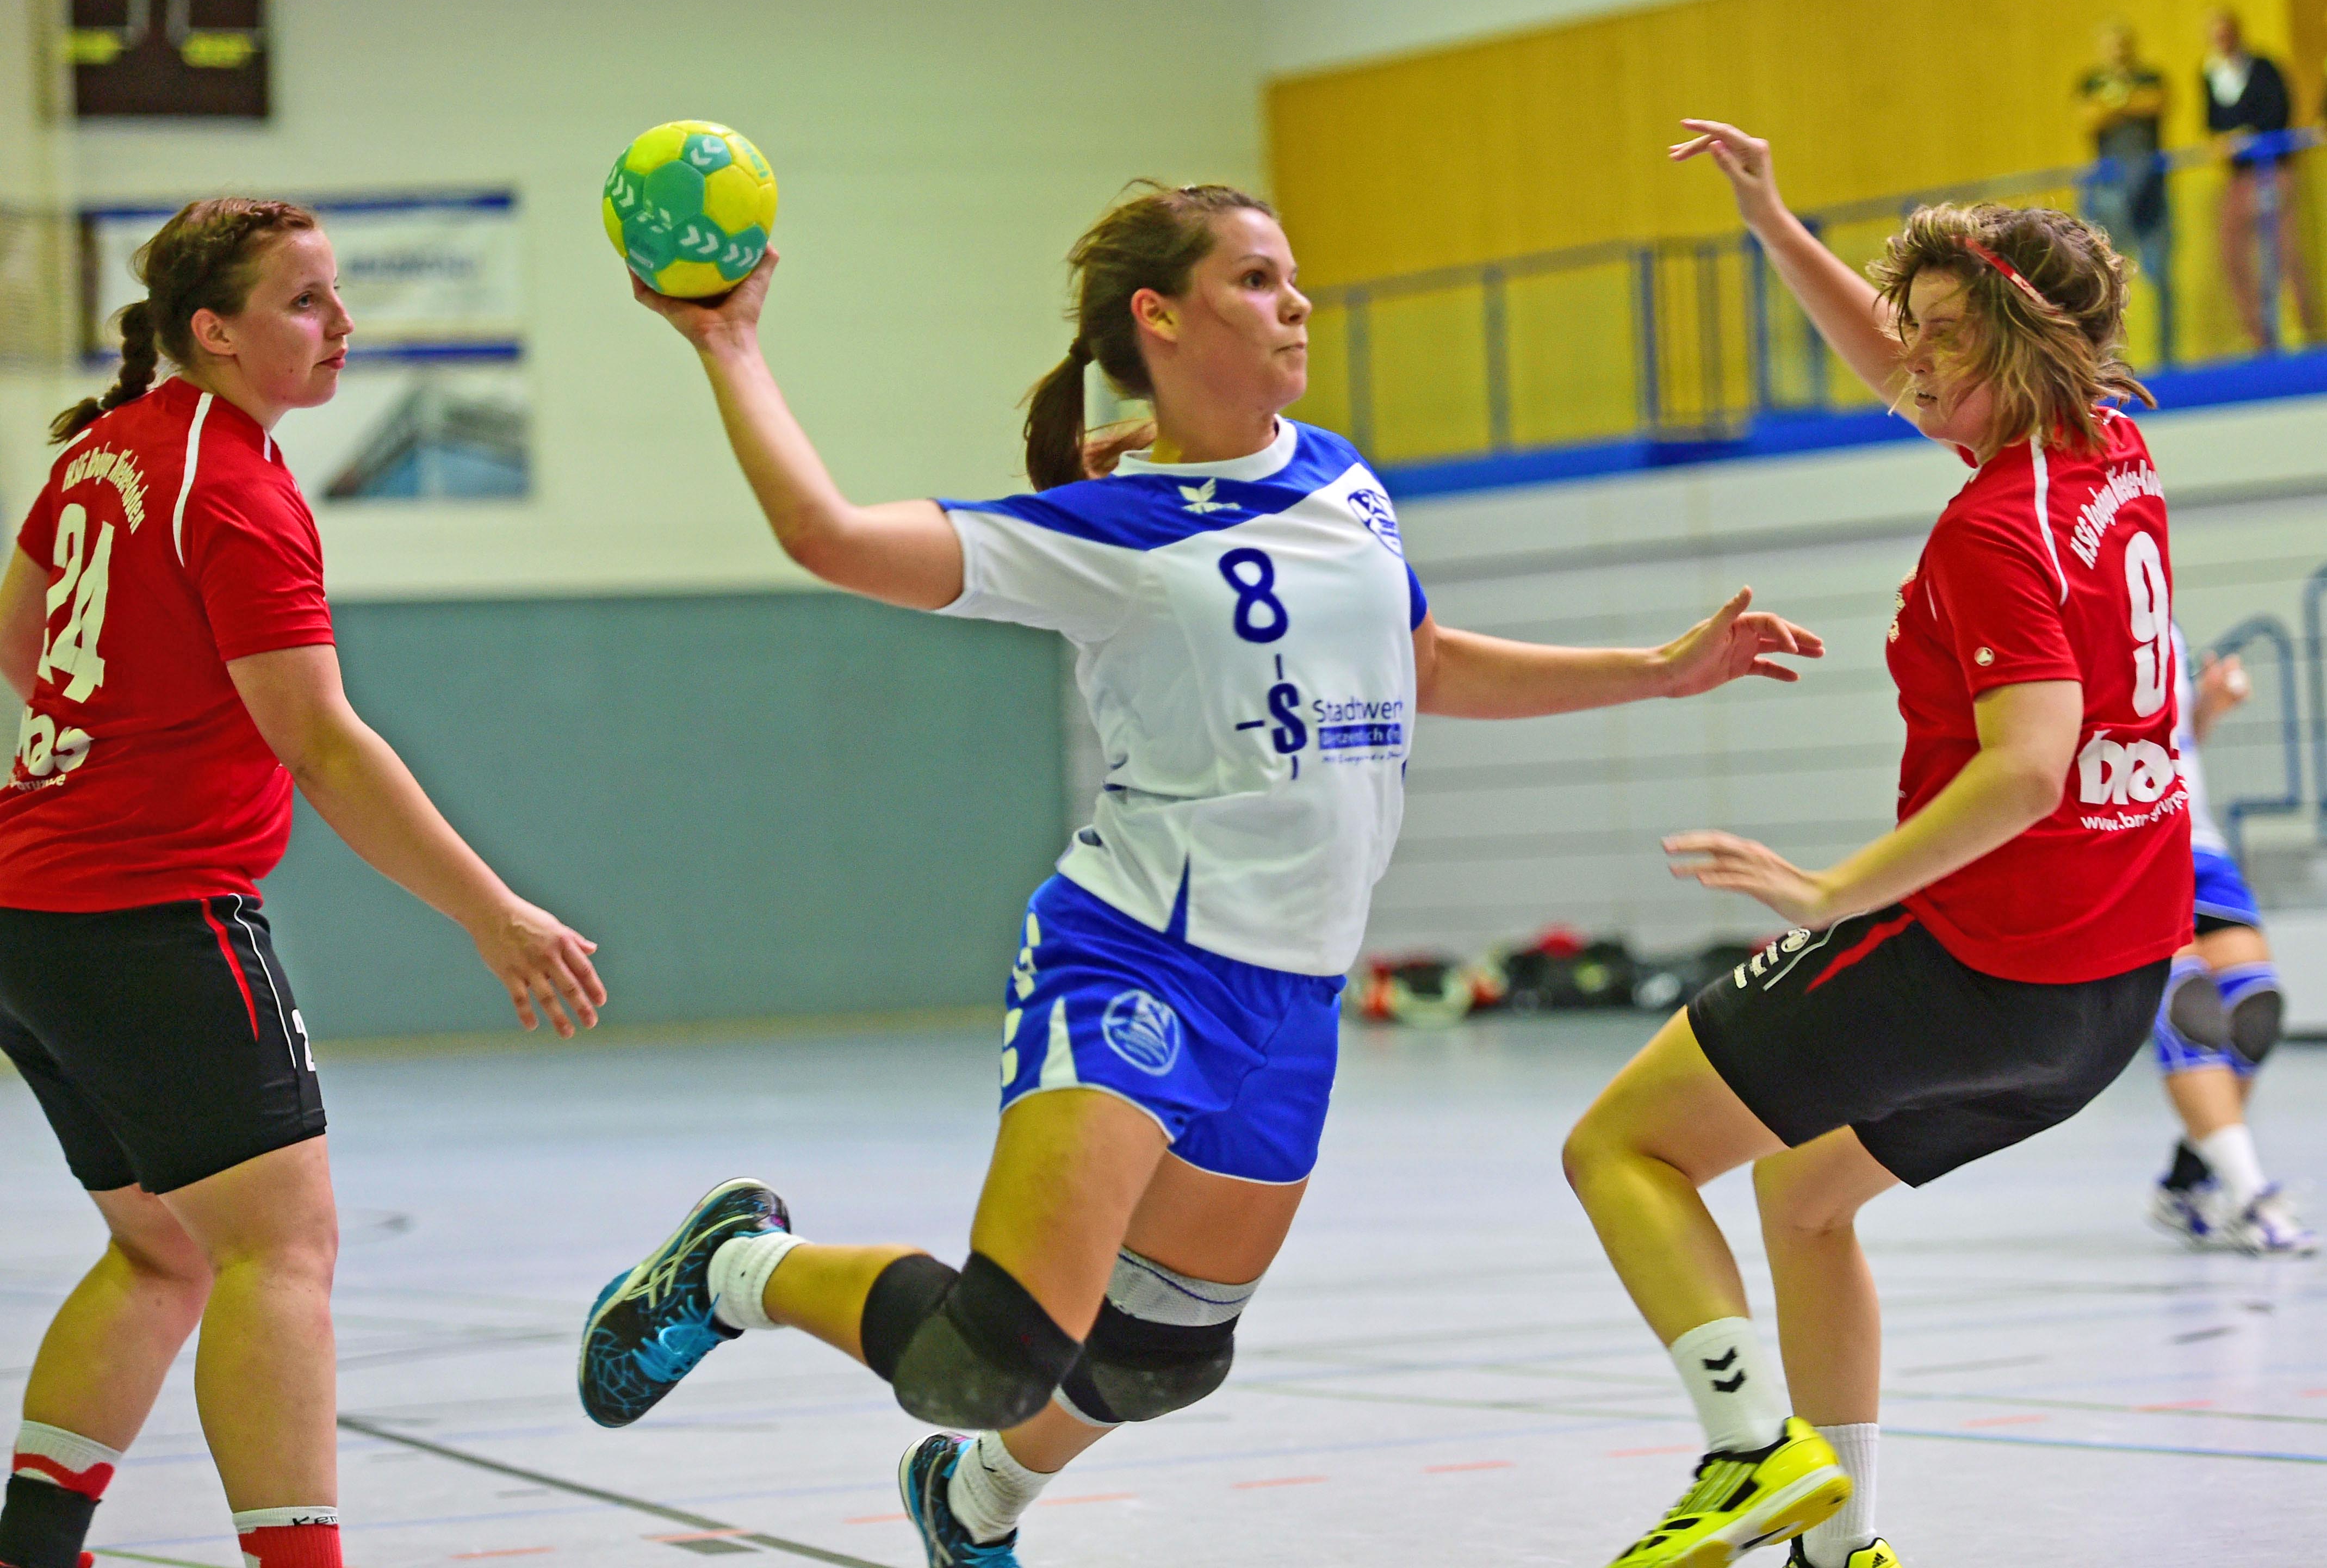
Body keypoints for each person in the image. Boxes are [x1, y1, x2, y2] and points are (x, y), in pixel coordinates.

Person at [575, 181, 1823, 1568]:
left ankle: (970, 1502)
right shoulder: (1105, 533)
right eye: (1256, 279)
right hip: (1140, 960)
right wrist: (730, 343)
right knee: (992, 1352)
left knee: (1162, 1356)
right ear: (1160, 319)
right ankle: (733, 1267)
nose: (1297, 303)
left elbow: (1424, 664)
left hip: (1293, 994)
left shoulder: (1343, 478)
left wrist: (1657, 672)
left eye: (1290, 276)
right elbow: (829, 536)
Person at [1562, 123, 2192, 1568]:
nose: (1908, 362)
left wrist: (1833, 890)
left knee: (1619, 1147)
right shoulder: (2104, 443)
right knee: (1802, 1193)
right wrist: (1772, 221)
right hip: (2109, 991)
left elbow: (2025, 768)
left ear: (2018, 351)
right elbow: (1911, 364)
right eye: (1910, 328)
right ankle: (1834, 1547)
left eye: (1940, 338)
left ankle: (1745, 1456)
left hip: (1984, 956)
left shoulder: (1991, 531)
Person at [0, 200, 605, 1568]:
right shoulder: (231, 487)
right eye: (307, 302)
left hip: (31, 916)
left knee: (163, 1253)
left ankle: (34, 1549)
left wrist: (116, 733)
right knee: (280, 1253)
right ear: (215, 331)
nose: (343, 326)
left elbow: (22, 631)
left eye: (336, 297)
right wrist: (494, 912)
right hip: (152, 917)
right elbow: (323, 744)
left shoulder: (108, 449)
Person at [2147, 626, 2313, 1255]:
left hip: (2198, 842)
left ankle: (2186, 1182)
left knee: (2254, 1012)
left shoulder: (2162, 619)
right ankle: (2250, 1198)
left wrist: (2207, 707)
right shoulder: (2060, 603)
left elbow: (2175, 739)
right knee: (2188, 1011)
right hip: (2125, 843)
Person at [2203, 7, 2319, 348]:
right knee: (2233, 253)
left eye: (2226, 33)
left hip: (2272, 168)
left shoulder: (2263, 67)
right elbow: (2212, 124)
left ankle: (2302, 328)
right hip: (2239, 175)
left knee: (2284, 250)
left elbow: (2279, 111)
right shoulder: (2210, 74)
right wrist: (2224, 142)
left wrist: (2248, 136)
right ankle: (2257, 335)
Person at [2078, 20, 2172, 361]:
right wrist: (2122, 104)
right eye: (2112, 45)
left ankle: (2166, 355)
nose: (2118, 51)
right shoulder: (2090, 81)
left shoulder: (2150, 77)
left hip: (2151, 189)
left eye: (2123, 44)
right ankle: (2110, 358)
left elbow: (2156, 103)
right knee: (2106, 278)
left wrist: (2115, 103)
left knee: (2158, 275)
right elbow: (2089, 118)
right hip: (2109, 193)